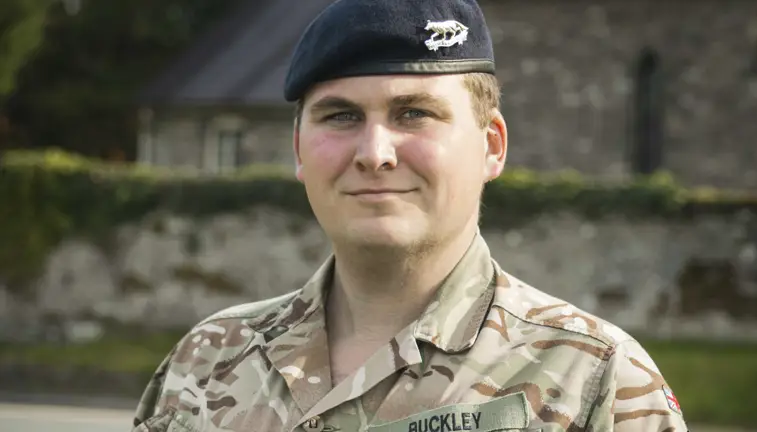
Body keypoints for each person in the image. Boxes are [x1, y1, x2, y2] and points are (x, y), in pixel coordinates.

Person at [132, 0, 689, 431]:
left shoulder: (595, 377)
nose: (375, 152)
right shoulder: (209, 358)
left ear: (492, 146)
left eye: (414, 113)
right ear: (300, 151)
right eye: (341, 116)